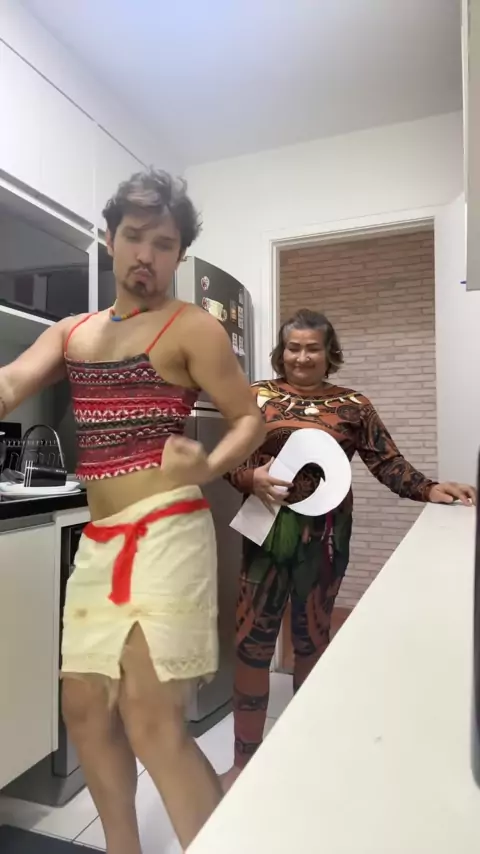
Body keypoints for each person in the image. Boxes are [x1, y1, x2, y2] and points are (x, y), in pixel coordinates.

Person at [0, 169, 265, 853]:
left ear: (180, 254)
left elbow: (248, 418)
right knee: (85, 707)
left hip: (169, 532)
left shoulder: (193, 327)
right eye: (135, 236)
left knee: (151, 716)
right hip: (101, 542)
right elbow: (10, 382)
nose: (147, 254)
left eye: (164, 243)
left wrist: (207, 464)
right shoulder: (73, 333)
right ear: (110, 239)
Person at [221, 307, 476, 791]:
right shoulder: (256, 396)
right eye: (293, 348)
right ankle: (242, 764)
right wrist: (248, 478)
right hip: (265, 535)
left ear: (328, 352)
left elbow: (388, 463)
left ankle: (304, 756)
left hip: (326, 540)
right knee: (252, 644)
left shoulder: (354, 405)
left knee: (312, 640)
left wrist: (429, 488)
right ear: (281, 351)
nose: (302, 357)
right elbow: (227, 460)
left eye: (312, 348)